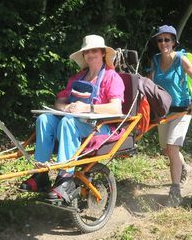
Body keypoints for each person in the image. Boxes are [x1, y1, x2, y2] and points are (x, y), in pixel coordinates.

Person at [19, 35, 124, 203]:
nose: (90, 54)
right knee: (44, 119)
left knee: (68, 122)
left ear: (103, 53)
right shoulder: (78, 78)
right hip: (75, 122)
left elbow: (116, 108)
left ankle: (65, 179)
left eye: (94, 50)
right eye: (87, 51)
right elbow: (60, 100)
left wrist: (88, 108)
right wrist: (65, 107)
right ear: (83, 55)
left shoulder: (112, 77)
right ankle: (40, 175)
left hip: (100, 127)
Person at [149, 25, 192, 206]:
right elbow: (149, 86)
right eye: (160, 40)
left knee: (172, 147)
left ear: (174, 42)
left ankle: (175, 192)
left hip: (182, 110)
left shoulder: (181, 59)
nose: (163, 43)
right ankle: (186, 169)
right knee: (166, 149)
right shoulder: (156, 60)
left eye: (167, 40)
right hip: (163, 111)